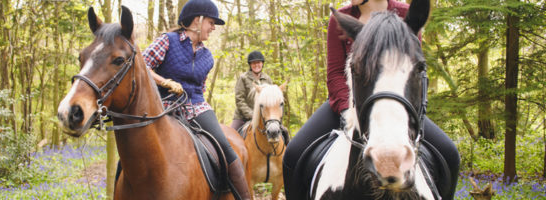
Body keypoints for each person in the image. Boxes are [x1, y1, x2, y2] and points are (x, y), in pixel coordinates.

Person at [281, 0, 460, 199]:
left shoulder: (406, 14)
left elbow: (414, 71)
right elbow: (334, 73)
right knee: (293, 153)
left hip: (399, 106)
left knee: (450, 154)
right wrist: (348, 111)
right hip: (351, 105)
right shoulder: (339, 19)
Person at [141, 0, 251, 199]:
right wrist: (165, 82)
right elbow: (141, 66)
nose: (213, 28)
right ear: (197, 20)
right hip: (163, 105)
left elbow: (201, 88)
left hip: (197, 106)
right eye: (211, 22)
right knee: (136, 144)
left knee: (225, 146)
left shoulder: (207, 57)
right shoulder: (167, 40)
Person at [230, 50, 274, 131]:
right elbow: (240, 100)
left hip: (265, 117)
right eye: (254, 63)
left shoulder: (268, 79)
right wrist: (252, 115)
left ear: (262, 63)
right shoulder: (243, 78)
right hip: (243, 117)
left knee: (283, 131)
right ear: (250, 65)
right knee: (228, 137)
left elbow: (271, 100)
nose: (256, 65)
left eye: (258, 62)